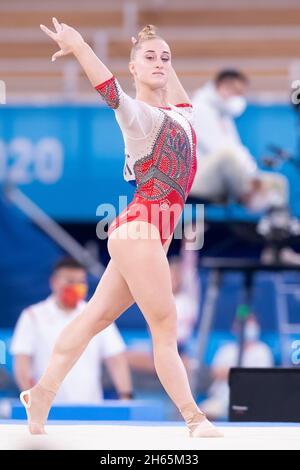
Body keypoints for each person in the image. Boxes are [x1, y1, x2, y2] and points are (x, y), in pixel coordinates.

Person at [19, 18, 222, 438]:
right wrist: (78, 46)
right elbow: (109, 90)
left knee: (93, 317)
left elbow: (168, 79)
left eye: (166, 58)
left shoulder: (182, 115)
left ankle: (41, 393)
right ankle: (194, 418)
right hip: (140, 229)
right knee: (164, 327)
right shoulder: (139, 117)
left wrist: (151, 43)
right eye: (149, 59)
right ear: (133, 68)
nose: (160, 63)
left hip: (149, 234)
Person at [11, 257, 133, 404]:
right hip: (48, 408)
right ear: (54, 282)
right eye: (70, 281)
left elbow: (116, 359)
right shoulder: (33, 316)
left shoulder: (97, 315)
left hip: (90, 407)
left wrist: (126, 396)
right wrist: (32, 401)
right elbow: (22, 363)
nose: (76, 287)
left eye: (80, 282)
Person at [189, 69, 289, 213]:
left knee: (278, 182)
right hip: (199, 179)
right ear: (224, 87)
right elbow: (221, 152)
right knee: (227, 154)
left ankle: (277, 227)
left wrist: (254, 174)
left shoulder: (223, 115)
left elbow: (238, 150)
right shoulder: (199, 110)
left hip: (226, 175)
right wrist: (251, 179)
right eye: (237, 92)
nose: (240, 98)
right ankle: (250, 201)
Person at [199, 315, 274, 420]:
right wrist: (240, 374)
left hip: (252, 400)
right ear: (235, 328)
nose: (248, 327)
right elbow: (216, 372)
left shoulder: (262, 350)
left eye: (251, 323)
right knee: (199, 413)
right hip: (222, 398)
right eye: (244, 323)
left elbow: (261, 377)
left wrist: (231, 373)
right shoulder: (226, 349)